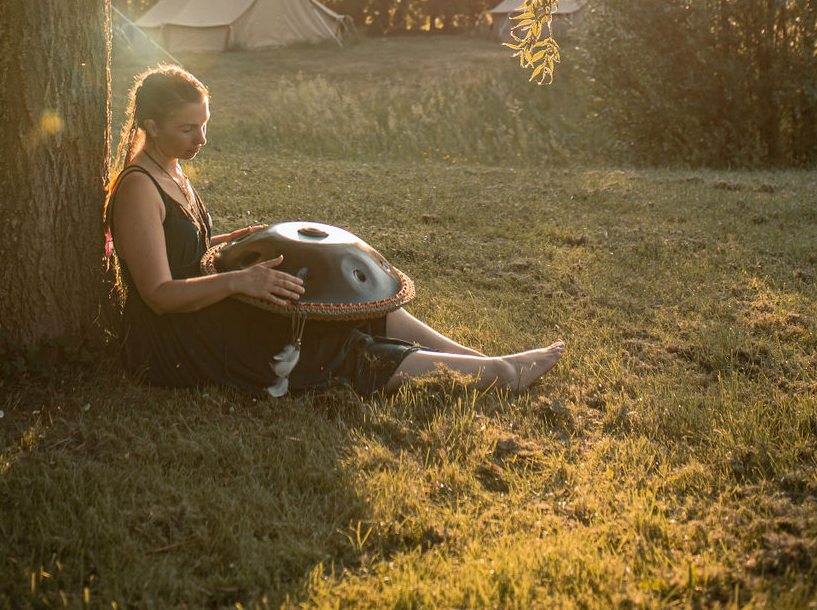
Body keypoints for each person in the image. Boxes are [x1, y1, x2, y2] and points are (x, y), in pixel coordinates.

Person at [105, 65, 565, 398]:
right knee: (330, 342)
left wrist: (230, 244)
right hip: (175, 340)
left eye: (205, 125)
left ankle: (481, 361)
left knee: (344, 303)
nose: (201, 140)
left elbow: (182, 251)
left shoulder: (172, 169)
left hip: (207, 306)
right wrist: (242, 280)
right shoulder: (137, 189)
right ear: (149, 125)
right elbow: (159, 294)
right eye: (188, 129)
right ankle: (497, 377)